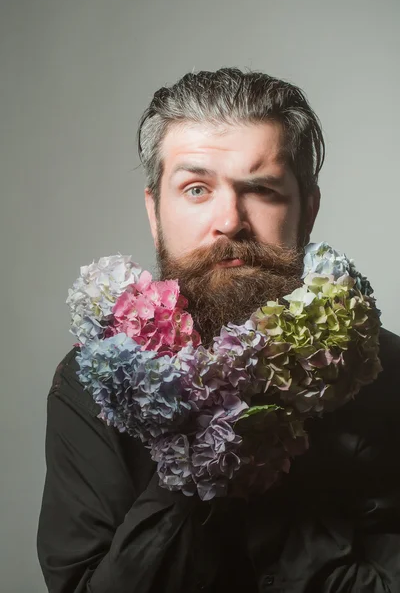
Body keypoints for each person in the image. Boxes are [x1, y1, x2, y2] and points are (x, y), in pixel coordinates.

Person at [37, 68, 400, 592]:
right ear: (154, 213)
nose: (229, 220)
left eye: (263, 190)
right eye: (196, 189)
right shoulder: (89, 385)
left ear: (309, 210)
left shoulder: (386, 374)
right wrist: (193, 459)